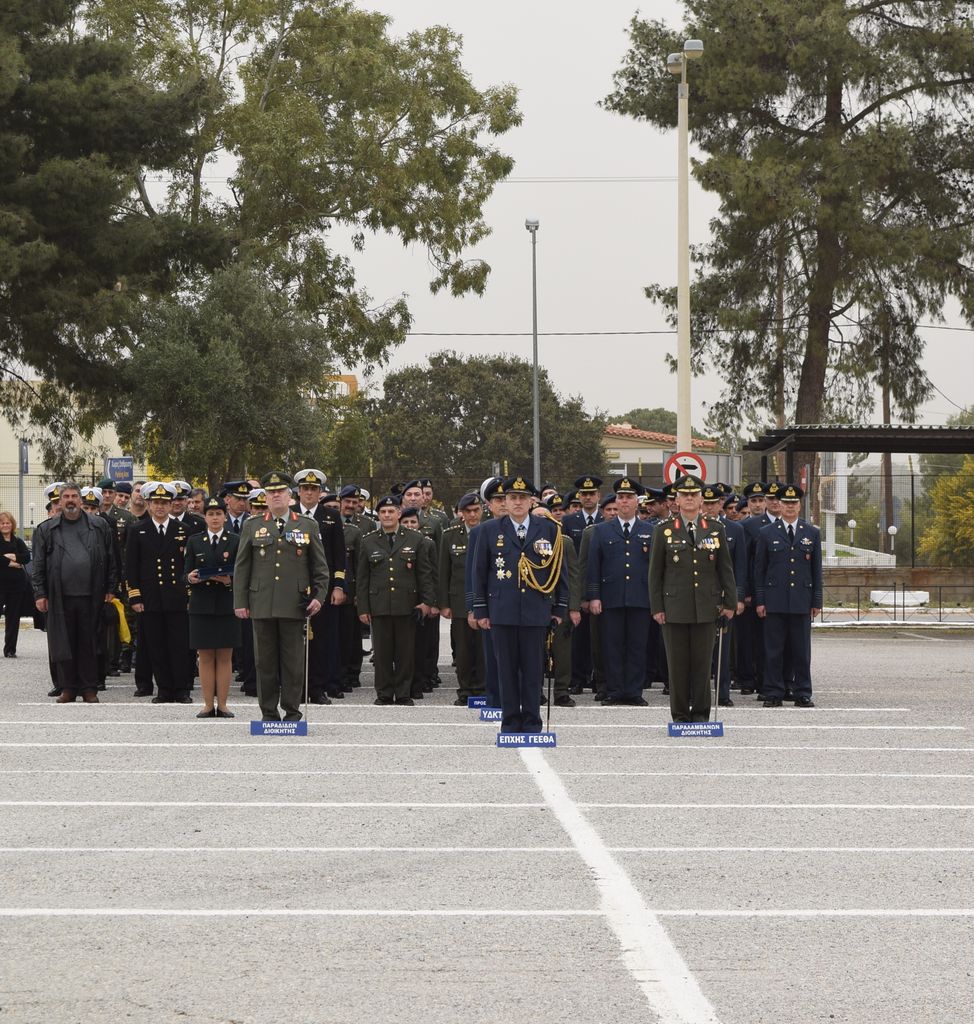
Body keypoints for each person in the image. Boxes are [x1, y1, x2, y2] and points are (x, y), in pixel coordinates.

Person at [469, 475, 568, 734]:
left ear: (531, 501)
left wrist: (559, 608)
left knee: (534, 670)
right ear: (505, 501)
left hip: (536, 610)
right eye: (511, 498)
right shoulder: (490, 530)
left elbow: (559, 571)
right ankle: (511, 721)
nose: (517, 503)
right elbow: (479, 573)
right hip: (502, 610)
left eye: (522, 498)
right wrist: (480, 610)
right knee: (506, 669)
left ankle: (533, 721)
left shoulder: (548, 528)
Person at [233, 471, 329, 722]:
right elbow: (242, 566)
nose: (276, 496)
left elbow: (319, 566)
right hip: (261, 602)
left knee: (293, 662)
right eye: (271, 492)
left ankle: (292, 710)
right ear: (265, 497)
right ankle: (268, 712)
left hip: (294, 603)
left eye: (281, 492)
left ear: (290, 496)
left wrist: (319, 595)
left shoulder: (307, 524)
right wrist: (240, 601)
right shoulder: (253, 525)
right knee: (264, 662)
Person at [648, 474, 737, 723]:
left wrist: (729, 603)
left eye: (694, 495)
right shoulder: (663, 530)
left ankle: (700, 714)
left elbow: (725, 570)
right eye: (684, 495)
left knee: (702, 664)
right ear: (676, 500)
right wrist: (657, 607)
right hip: (674, 607)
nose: (689, 499)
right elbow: (655, 573)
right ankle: (679, 715)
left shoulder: (716, 530)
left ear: (701, 499)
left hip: (706, 607)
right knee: (677, 666)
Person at [31, 483, 116, 703]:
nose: (70, 500)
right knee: (63, 643)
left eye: (74, 496)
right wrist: (40, 593)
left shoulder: (99, 526)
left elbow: (111, 559)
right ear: (59, 501)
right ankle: (67, 688)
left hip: (92, 595)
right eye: (65, 496)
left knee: (89, 643)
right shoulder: (46, 529)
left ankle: (89, 688)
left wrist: (110, 588)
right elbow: (38, 564)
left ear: (81, 499)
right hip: (59, 596)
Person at [357, 495, 437, 706]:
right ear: (378, 515)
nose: (387, 515)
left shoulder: (415, 539)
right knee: (382, 653)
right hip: (379, 605)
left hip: (407, 604)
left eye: (391, 511)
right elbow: (363, 579)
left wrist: (427, 602)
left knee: (405, 652)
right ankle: (383, 693)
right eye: (383, 512)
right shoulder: (368, 541)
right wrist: (363, 608)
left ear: (399, 514)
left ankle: (403, 693)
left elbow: (424, 575)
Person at [585, 478, 655, 706]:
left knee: (637, 645)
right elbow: (593, 566)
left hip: (640, 597)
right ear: (616, 501)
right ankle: (614, 690)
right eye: (621, 497)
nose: (624, 501)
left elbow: (655, 567)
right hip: (611, 598)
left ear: (637, 502)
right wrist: (594, 596)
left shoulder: (650, 530)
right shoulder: (602, 530)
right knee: (612, 646)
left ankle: (634, 691)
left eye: (629, 497)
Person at [754, 483, 822, 708]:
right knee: (773, 650)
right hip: (774, 601)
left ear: (800, 505)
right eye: (786, 503)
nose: (790, 507)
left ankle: (802, 691)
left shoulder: (811, 532)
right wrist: (760, 600)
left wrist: (816, 601)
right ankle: (773, 692)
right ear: (779, 505)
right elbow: (760, 570)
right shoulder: (766, 533)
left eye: (794, 503)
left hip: (801, 601)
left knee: (801, 651)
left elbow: (816, 570)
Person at [126, 482, 195, 703]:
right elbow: (131, 567)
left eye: (164, 503)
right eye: (156, 503)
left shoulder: (184, 530)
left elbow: (189, 565)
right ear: (148, 504)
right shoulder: (138, 530)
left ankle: (181, 689)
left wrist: (190, 596)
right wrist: (135, 596)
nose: (160, 507)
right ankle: (164, 689)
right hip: (150, 597)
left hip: (177, 597)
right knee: (155, 645)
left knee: (180, 645)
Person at [184, 497, 241, 717]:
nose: (215, 518)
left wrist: (230, 580)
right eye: (211, 514)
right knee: (205, 656)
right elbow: (184, 572)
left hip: (226, 604)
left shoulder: (235, 540)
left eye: (218, 514)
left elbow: (242, 571)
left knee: (225, 656)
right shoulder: (195, 541)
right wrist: (189, 577)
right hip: (201, 604)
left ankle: (223, 704)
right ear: (205, 517)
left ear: (225, 516)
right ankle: (208, 704)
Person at [438, 493, 486, 706]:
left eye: (476, 510)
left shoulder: (491, 532)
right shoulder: (449, 536)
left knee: (484, 648)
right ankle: (465, 689)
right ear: (461, 513)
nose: (473, 515)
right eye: (468, 511)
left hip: (486, 600)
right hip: (458, 601)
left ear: (482, 511)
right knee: (464, 650)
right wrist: (444, 603)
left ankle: (483, 688)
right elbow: (443, 572)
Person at [0, 512, 31, 657]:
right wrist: (12, 563)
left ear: (12, 525)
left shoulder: (18, 541)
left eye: (7, 523)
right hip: (1, 584)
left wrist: (12, 556)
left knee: (13, 619)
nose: (5, 525)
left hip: (16, 586)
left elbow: (26, 557)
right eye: (2, 523)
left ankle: (10, 649)